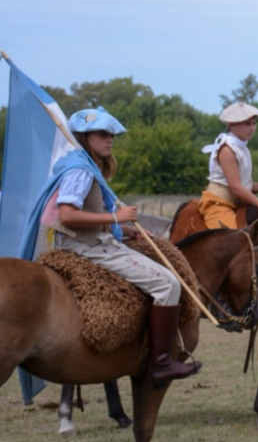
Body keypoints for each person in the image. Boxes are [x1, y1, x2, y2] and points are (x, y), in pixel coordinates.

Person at [19, 107, 200, 388]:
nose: (110, 139)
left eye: (111, 134)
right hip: (87, 249)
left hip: (94, 239)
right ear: (84, 136)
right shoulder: (80, 171)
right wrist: (116, 217)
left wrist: (122, 229)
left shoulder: (84, 166)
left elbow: (88, 214)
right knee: (168, 285)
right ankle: (162, 362)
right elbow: (67, 215)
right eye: (103, 134)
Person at [199, 102, 258, 230]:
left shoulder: (242, 148)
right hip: (217, 205)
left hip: (235, 204)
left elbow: (243, 184)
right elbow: (236, 188)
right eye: (247, 124)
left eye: (254, 123)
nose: (252, 128)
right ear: (232, 125)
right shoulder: (227, 149)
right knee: (234, 242)